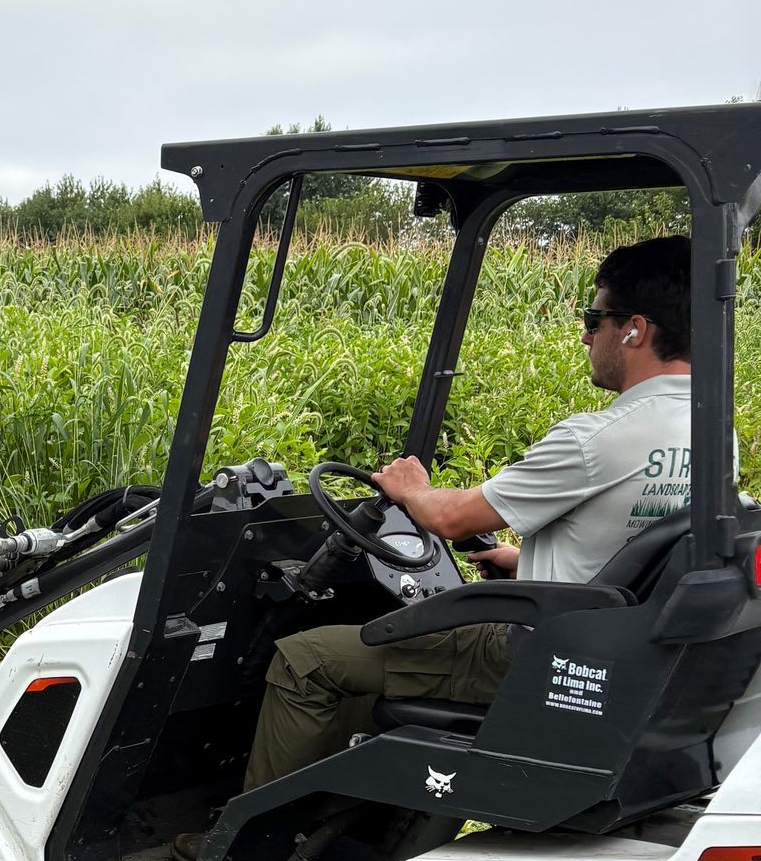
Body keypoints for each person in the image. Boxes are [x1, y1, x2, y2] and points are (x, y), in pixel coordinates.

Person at [234, 233, 695, 798]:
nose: (585, 334)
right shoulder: (709, 429)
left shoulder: (597, 437)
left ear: (635, 329)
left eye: (593, 318)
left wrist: (411, 488)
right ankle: (349, 819)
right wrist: (528, 560)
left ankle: (246, 846)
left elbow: (453, 519)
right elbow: (642, 544)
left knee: (305, 660)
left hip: (545, 658)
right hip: (621, 648)